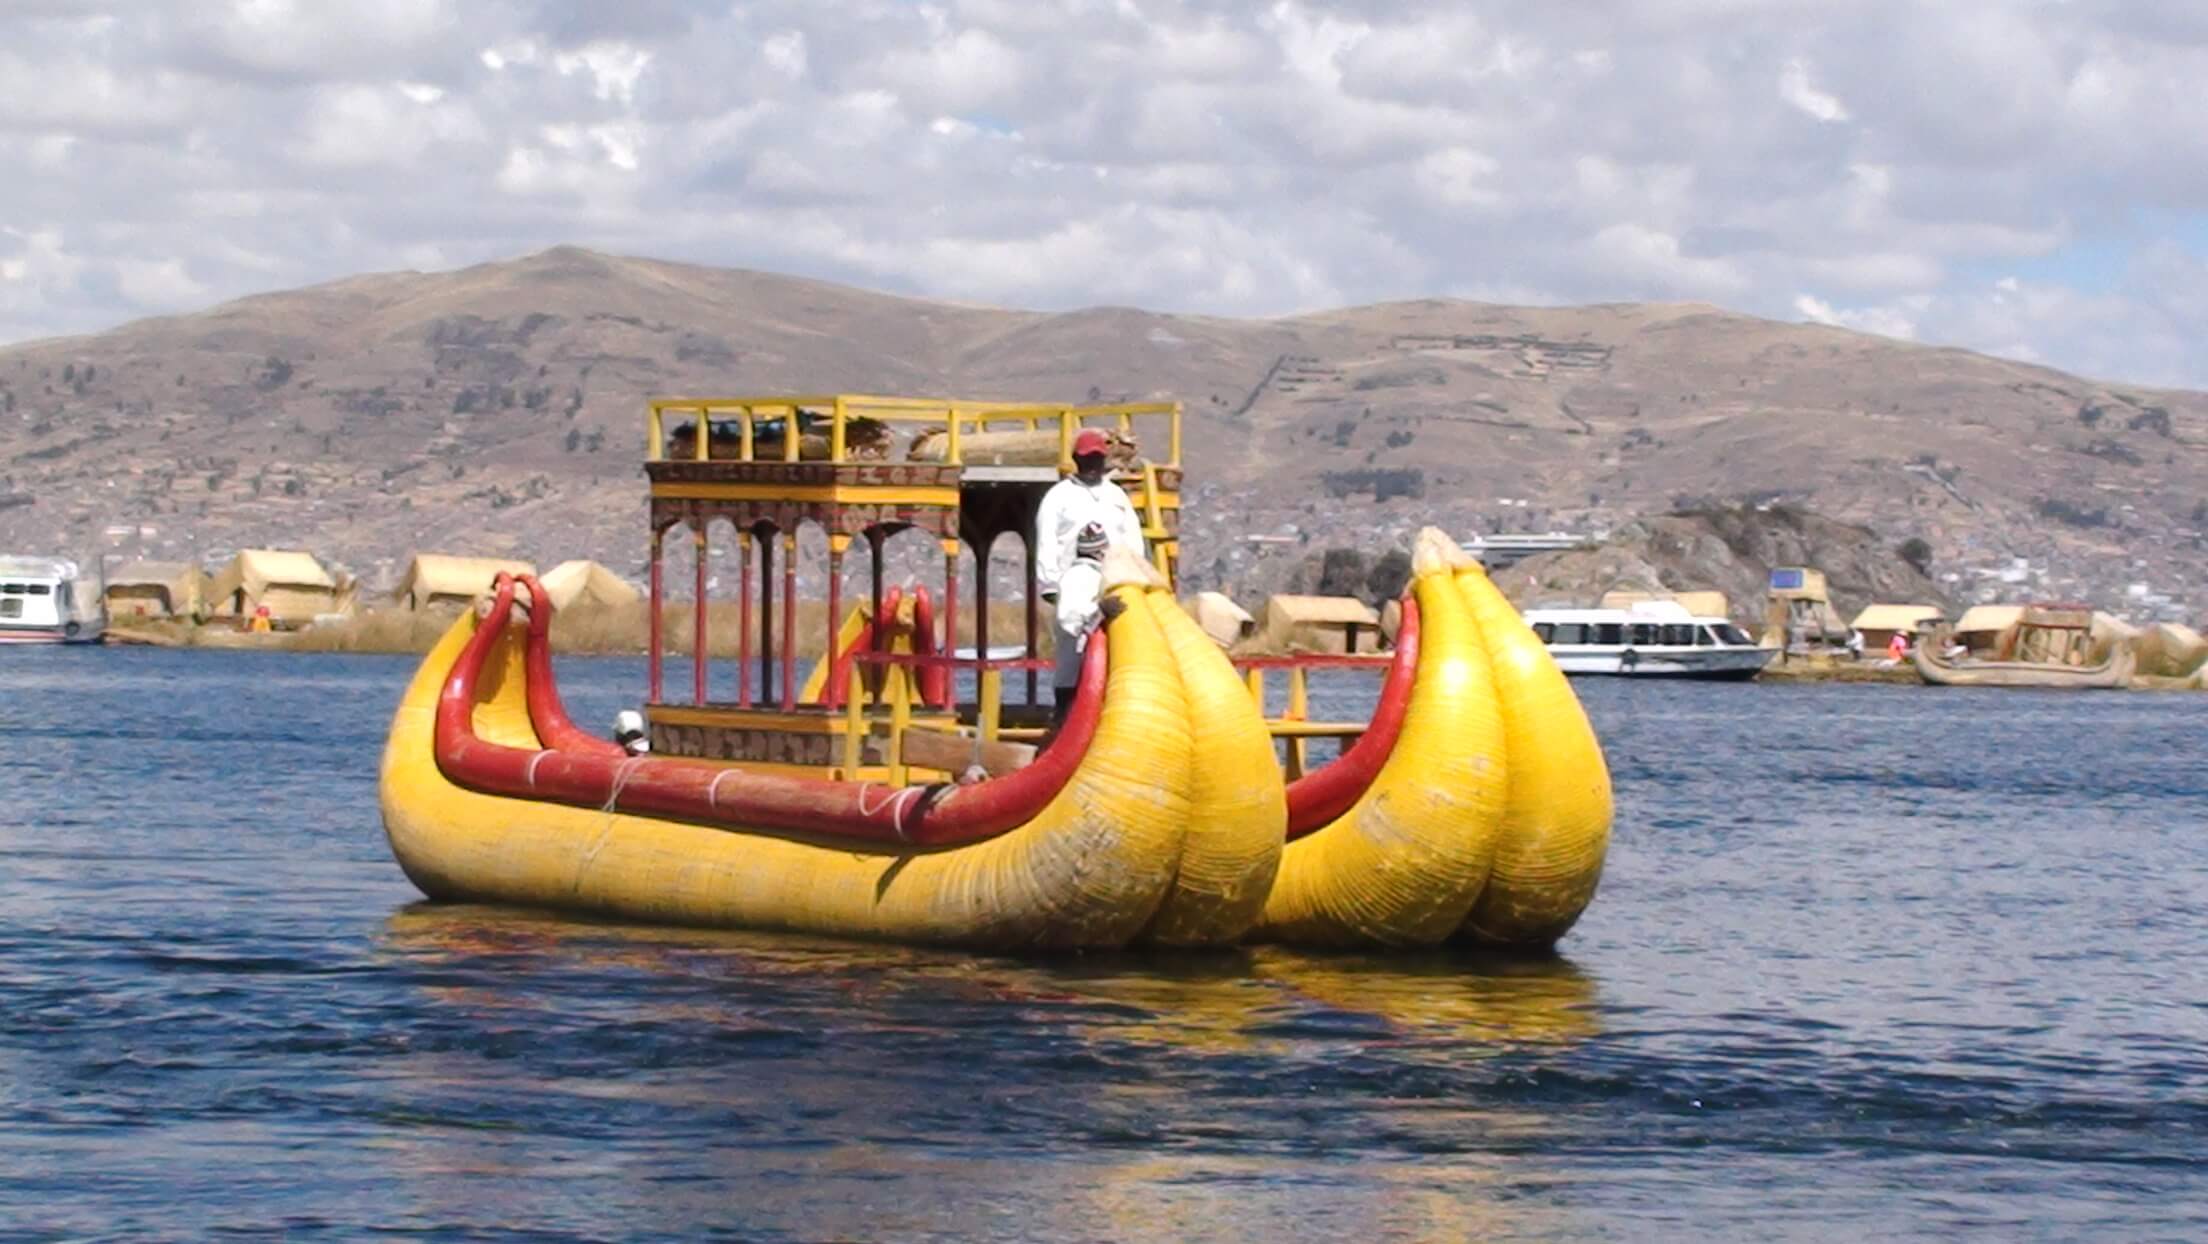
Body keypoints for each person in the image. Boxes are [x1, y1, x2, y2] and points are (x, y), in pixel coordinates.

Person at [1034, 427, 1144, 606]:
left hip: (1116, 586)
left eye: (1097, 458)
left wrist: (1135, 575)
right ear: (1076, 459)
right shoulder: (1058, 496)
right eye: (1087, 459)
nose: (1092, 464)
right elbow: (1047, 541)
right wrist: (1051, 584)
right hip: (1074, 586)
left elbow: (1133, 537)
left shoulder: (1116, 495)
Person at [1049, 522, 1126, 727]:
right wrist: (1099, 610)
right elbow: (1069, 617)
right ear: (1101, 552)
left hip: (1086, 678)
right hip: (1075, 679)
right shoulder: (1080, 576)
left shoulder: (1094, 576)